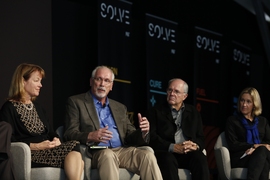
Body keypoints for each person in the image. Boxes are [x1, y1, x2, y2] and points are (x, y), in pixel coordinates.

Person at [64, 65, 163, 180]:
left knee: (147, 156)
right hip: (97, 150)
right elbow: (69, 133)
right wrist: (91, 136)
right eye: (98, 79)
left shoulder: (120, 107)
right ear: (91, 81)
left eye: (106, 81)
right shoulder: (76, 102)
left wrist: (143, 132)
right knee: (108, 155)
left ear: (111, 86)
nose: (102, 84)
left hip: (122, 150)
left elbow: (130, 135)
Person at [0, 63, 84, 180]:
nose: (40, 85)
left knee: (75, 154)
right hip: (29, 154)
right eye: (36, 81)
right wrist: (37, 146)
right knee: (75, 149)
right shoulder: (9, 108)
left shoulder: (38, 107)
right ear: (23, 81)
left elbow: (50, 132)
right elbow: (9, 141)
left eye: (40, 81)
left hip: (48, 150)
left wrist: (55, 139)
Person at [146, 78, 210, 180]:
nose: (172, 93)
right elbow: (151, 138)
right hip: (166, 152)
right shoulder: (155, 111)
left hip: (186, 153)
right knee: (168, 159)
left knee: (200, 157)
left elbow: (201, 138)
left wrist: (195, 145)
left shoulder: (193, 112)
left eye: (176, 91)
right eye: (169, 90)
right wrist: (172, 147)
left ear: (185, 96)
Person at [225, 87, 270, 179]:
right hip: (241, 156)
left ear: (254, 104)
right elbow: (233, 144)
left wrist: (256, 149)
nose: (244, 104)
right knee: (262, 154)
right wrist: (253, 146)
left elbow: (268, 142)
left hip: (260, 154)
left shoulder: (263, 122)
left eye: (248, 101)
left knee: (262, 154)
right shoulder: (232, 121)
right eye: (242, 100)